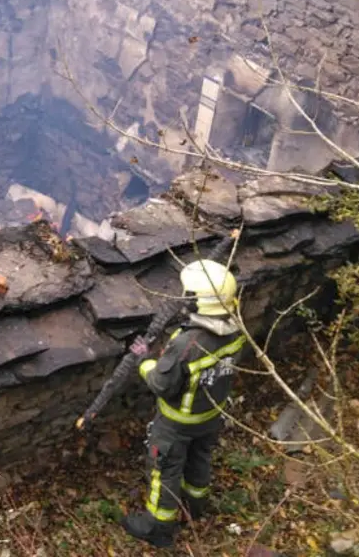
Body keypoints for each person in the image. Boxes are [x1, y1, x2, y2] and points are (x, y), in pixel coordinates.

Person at [119, 230, 248, 548]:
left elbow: (162, 384)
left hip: (176, 423)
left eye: (189, 295)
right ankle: (196, 505)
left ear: (201, 302)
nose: (184, 298)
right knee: (199, 458)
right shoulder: (237, 330)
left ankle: (157, 527)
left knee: (164, 469)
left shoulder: (188, 344)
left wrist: (144, 360)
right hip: (211, 415)